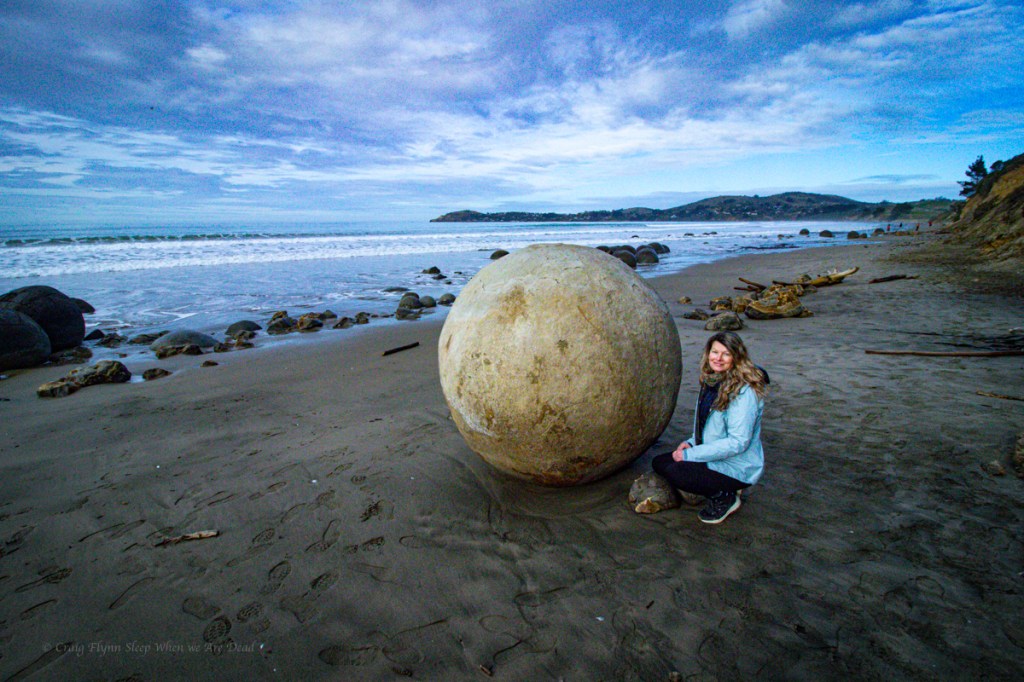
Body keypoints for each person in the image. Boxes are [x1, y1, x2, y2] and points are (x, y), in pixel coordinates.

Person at [652, 331, 769, 524]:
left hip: (736, 465)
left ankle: (725, 496)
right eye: (715, 352)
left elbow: (738, 442)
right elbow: (705, 425)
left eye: (726, 354)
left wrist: (691, 455)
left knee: (677, 472)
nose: (718, 358)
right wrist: (691, 443)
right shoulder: (712, 381)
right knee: (660, 462)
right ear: (708, 353)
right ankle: (719, 485)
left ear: (736, 357)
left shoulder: (743, 392)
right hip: (714, 455)